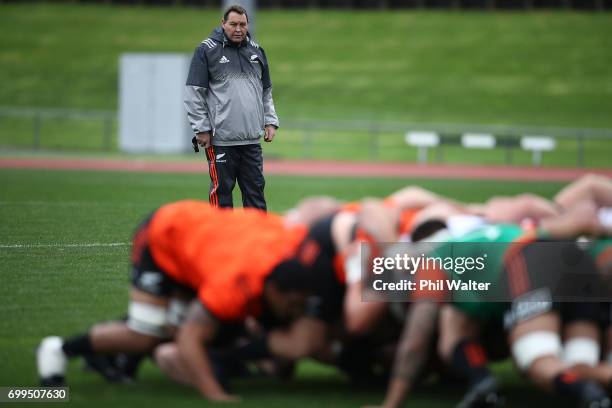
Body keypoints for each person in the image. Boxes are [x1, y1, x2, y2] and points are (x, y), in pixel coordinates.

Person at [36, 201, 312, 401]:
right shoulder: (235, 283)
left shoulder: (295, 249)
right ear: (276, 289)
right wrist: (215, 394)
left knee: (174, 326)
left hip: (202, 244)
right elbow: (191, 337)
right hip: (165, 235)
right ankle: (60, 349)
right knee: (148, 333)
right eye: (293, 304)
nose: (294, 311)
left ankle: (115, 358)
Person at [184, 4, 279, 210]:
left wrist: (270, 121)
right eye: (233, 24)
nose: (238, 29)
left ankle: (257, 241)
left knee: (255, 194)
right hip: (221, 140)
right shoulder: (206, 50)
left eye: (242, 24)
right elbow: (194, 93)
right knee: (222, 196)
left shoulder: (256, 51)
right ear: (223, 24)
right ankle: (221, 241)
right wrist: (201, 128)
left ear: (248, 25)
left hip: (251, 140)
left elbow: (266, 91)